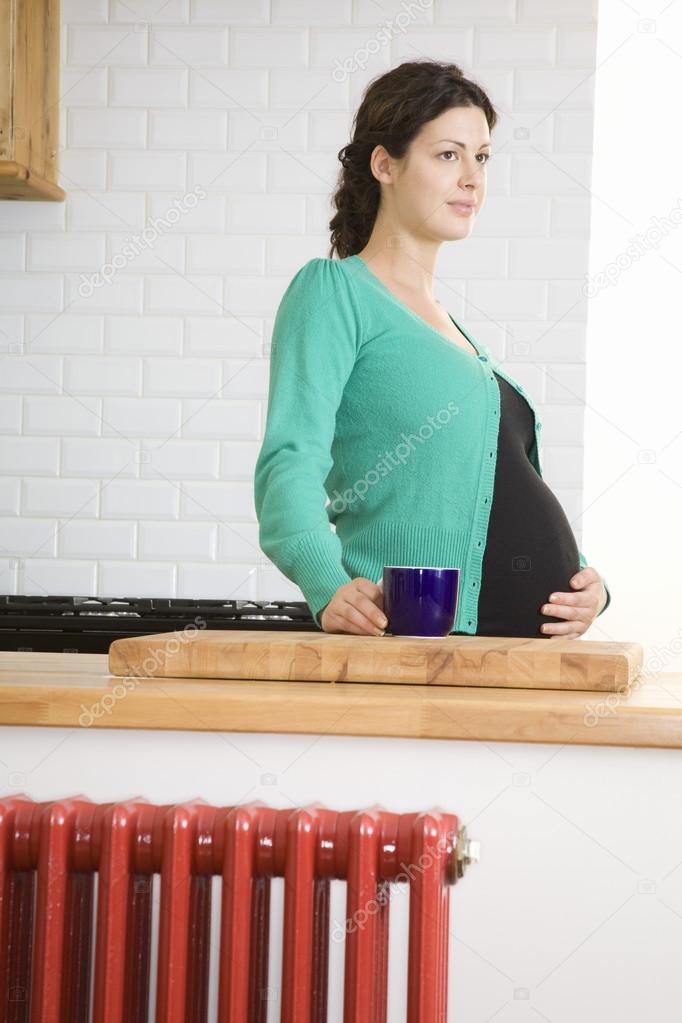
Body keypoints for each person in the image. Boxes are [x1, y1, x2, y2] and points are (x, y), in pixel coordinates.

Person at [254, 59, 610, 640]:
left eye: (482, 157)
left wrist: (588, 588)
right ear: (385, 164)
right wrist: (326, 584)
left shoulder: (455, 330)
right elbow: (288, 462)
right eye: (449, 154)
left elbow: (494, 486)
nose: (472, 176)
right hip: (426, 644)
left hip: (523, 653)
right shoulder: (335, 292)